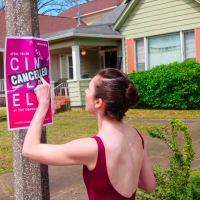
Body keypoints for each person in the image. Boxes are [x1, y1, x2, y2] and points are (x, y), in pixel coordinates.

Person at [22, 68, 156, 199]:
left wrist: (43, 104)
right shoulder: (136, 136)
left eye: (89, 88)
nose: (85, 91)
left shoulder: (93, 148)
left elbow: (29, 150)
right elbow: (149, 185)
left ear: (98, 102)